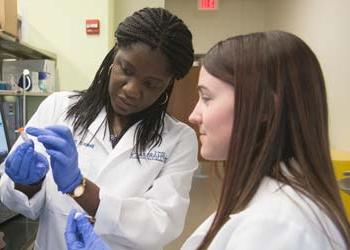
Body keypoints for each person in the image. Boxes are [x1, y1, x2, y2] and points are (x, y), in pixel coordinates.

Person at [64, 30, 350, 250]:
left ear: (263, 108)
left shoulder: (279, 225)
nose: (193, 114)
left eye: (207, 98)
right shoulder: (269, 202)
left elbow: (162, 221)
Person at [0, 7, 198, 250]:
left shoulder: (178, 140)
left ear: (168, 85)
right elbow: (18, 201)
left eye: (151, 84)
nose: (132, 90)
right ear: (114, 56)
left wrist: (78, 186)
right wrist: (26, 182)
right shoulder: (58, 107)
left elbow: (161, 224)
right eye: (126, 70)